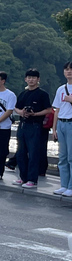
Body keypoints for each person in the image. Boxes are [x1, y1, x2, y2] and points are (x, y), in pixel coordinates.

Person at [11, 69, 53, 189]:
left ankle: (32, 179)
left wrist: (35, 114)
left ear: (38, 79)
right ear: (25, 79)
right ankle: (22, 177)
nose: (31, 80)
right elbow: (16, 108)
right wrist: (22, 112)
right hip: (23, 124)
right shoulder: (23, 94)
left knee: (34, 153)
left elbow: (48, 110)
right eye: (29, 77)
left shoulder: (42, 94)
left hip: (35, 125)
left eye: (34, 77)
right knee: (21, 152)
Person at [52, 61, 72, 197]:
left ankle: (71, 186)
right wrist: (54, 128)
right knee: (63, 156)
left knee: (71, 157)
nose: (69, 71)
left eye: (71, 69)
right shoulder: (61, 89)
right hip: (61, 123)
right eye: (66, 69)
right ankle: (64, 185)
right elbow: (56, 110)